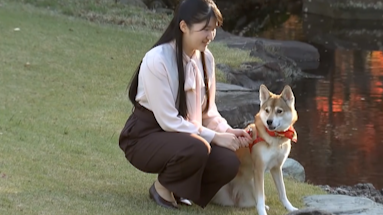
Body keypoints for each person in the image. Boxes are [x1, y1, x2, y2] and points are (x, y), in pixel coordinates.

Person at [118, 0, 252, 210]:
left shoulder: (206, 59)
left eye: (214, 29)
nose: (210, 36)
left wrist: (228, 131)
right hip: (145, 137)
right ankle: (162, 188)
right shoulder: (157, 60)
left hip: (186, 136)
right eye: (205, 29)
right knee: (197, 147)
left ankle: (182, 189)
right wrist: (215, 137)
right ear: (183, 26)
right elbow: (168, 120)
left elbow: (208, 112)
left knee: (229, 162)